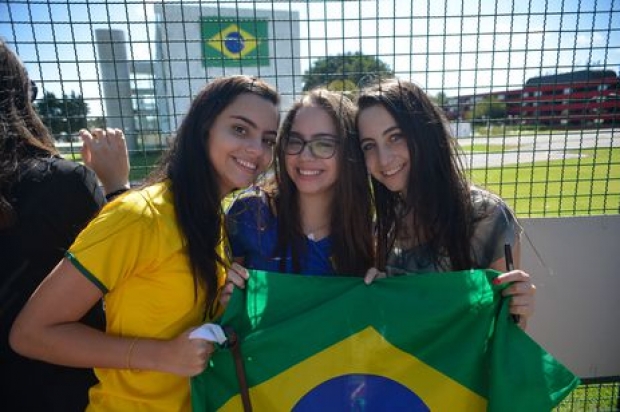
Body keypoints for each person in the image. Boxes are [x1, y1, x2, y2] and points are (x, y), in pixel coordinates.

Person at [10, 75, 280, 411]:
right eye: (240, 129)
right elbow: (31, 334)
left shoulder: (211, 218)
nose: (257, 150)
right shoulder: (139, 216)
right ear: (203, 128)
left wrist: (221, 308)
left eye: (268, 139)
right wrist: (162, 355)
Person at [0, 40, 129, 412]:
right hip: (66, 390)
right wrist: (117, 188)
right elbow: (127, 284)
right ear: (19, 98)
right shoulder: (61, 183)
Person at [356, 78, 535, 328]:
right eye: (369, 146)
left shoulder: (487, 216)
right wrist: (378, 293)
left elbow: (509, 329)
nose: (383, 159)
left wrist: (520, 308)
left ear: (425, 134)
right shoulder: (382, 229)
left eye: (395, 137)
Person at [221, 89, 374, 304]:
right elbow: (221, 300)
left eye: (324, 144)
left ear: (350, 153)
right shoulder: (249, 212)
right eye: (295, 141)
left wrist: (382, 294)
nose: (305, 156)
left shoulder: (368, 232)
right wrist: (226, 298)